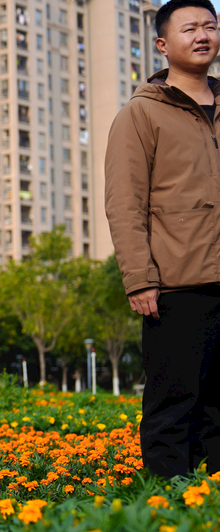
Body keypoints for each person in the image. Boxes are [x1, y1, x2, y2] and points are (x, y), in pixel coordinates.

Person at [105, 0, 220, 478]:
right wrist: (139, 279)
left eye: (210, 26)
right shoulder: (140, 115)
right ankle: (169, 512)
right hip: (175, 284)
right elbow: (124, 201)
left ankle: (209, 514)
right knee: (173, 405)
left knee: (218, 409)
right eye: (189, 27)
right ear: (162, 44)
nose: (202, 35)